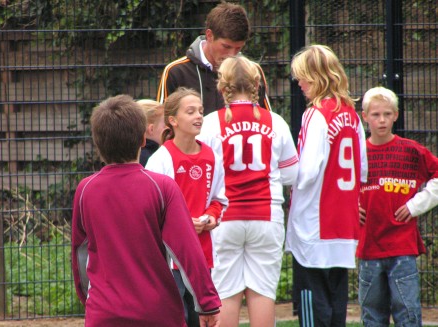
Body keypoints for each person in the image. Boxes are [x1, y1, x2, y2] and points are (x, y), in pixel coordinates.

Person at [71, 94, 221, 327]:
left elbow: (80, 254)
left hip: (103, 313)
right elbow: (187, 249)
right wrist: (207, 303)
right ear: (143, 139)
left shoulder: (85, 190)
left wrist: (89, 299)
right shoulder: (162, 187)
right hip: (157, 312)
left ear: (97, 142)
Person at [198, 55, 299, 327]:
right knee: (262, 292)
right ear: (257, 85)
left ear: (223, 87)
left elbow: (202, 172)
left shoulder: (209, 123)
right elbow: (291, 173)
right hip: (266, 219)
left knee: (226, 294)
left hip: (223, 220)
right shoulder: (275, 121)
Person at [285, 44, 368, 327]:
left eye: (302, 76)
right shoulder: (352, 114)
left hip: (313, 223)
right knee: (336, 304)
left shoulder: (316, 113)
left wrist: (285, 178)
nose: (299, 83)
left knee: (312, 304)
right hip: (343, 224)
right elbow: (363, 169)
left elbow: (307, 172)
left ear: (317, 76)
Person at [146, 87, 227, 327]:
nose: (199, 116)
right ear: (173, 120)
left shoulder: (212, 156)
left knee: (199, 318)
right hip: (171, 257)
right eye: (190, 111)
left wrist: (211, 218)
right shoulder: (160, 159)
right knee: (173, 316)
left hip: (201, 255)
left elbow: (219, 200)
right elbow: (151, 206)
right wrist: (179, 224)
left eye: (201, 111)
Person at [357, 86, 438, 326]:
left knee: (408, 314)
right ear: (364, 116)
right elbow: (338, 184)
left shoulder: (411, 150)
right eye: (375, 114)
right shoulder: (356, 152)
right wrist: (349, 208)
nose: (381, 120)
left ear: (396, 115)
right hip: (369, 247)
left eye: (387, 114)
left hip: (403, 247)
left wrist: (417, 205)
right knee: (372, 316)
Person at [157, 2, 272, 115]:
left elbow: (267, 120)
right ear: (209, 35)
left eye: (238, 48)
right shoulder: (176, 71)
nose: (232, 55)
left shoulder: (251, 71)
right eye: (226, 46)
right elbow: (163, 124)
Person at [136, 99, 166, 166]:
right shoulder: (155, 159)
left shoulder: (132, 156)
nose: (168, 128)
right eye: (164, 125)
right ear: (151, 129)